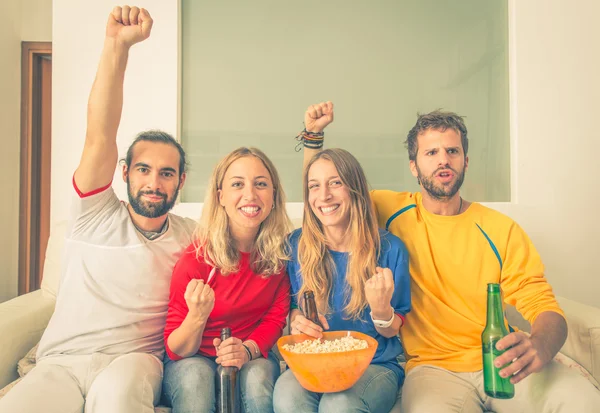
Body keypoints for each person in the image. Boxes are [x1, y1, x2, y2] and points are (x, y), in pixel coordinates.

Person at [302, 103, 600, 412]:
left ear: (466, 161)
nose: (443, 159)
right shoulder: (388, 211)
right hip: (432, 370)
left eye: (452, 151)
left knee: (585, 402)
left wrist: (541, 345)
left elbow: (543, 306)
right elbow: (324, 196)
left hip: (500, 359)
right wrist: (313, 137)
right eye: (431, 153)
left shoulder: (501, 229)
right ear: (413, 166)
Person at [0, 6, 198, 413]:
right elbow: (99, 134)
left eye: (166, 173)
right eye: (143, 170)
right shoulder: (93, 213)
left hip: (133, 362)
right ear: (125, 173)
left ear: (181, 181)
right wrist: (117, 47)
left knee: (119, 401)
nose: (154, 182)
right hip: (61, 361)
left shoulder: (191, 235)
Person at [273, 143, 411, 412]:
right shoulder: (295, 245)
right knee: (286, 397)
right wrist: (297, 321)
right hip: (312, 362)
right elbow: (289, 309)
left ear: (354, 188)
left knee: (339, 405)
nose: (323, 196)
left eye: (335, 183)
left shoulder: (391, 249)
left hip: (375, 365)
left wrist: (382, 310)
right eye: (314, 186)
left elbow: (394, 328)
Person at [162, 147, 292, 413]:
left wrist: (247, 350)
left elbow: (275, 320)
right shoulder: (195, 261)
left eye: (261, 184)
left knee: (259, 379)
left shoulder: (280, 258)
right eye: (237, 184)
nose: (250, 194)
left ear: (274, 196)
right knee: (197, 380)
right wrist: (197, 317)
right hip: (193, 358)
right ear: (221, 197)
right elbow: (175, 350)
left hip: (251, 353)